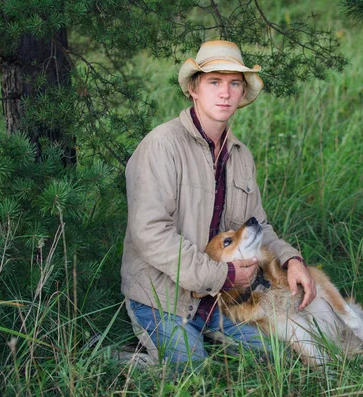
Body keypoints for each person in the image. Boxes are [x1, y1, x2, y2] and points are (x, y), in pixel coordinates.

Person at [121, 40, 316, 364]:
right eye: (214, 82)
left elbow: (257, 226)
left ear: (241, 94)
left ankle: (200, 337)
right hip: (161, 297)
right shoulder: (161, 146)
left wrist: (290, 259)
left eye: (234, 83)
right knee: (191, 369)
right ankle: (124, 359)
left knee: (276, 356)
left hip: (221, 299)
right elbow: (150, 233)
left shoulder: (240, 156)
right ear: (194, 89)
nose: (224, 92)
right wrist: (222, 275)